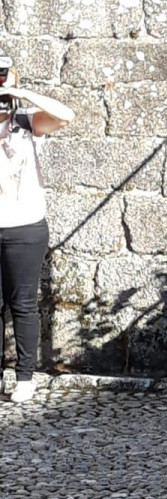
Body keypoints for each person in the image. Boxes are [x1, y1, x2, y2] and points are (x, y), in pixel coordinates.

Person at [0, 61, 73, 403]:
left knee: (23, 303)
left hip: (25, 227)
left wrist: (22, 94)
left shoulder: (27, 122)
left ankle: (25, 378)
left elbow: (66, 116)